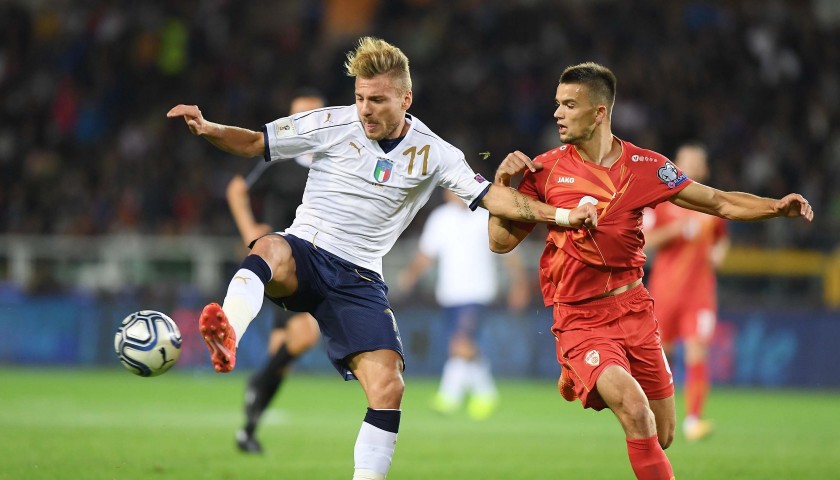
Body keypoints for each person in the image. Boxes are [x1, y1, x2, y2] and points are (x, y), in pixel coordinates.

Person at [167, 37, 573, 480]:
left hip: (359, 277)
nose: (365, 108)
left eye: (377, 99)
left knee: (388, 387)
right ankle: (229, 330)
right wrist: (209, 129)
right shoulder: (329, 123)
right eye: (360, 97)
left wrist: (564, 215)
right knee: (269, 247)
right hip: (308, 248)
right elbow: (255, 142)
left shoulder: (434, 153)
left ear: (405, 98)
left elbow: (495, 197)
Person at [488, 62, 813, 480]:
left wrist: (775, 206)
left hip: (636, 309)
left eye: (569, 105)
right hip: (580, 316)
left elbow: (716, 201)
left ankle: (575, 375)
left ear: (600, 112)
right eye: (557, 105)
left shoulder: (645, 166)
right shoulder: (545, 169)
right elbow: (499, 242)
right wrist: (503, 185)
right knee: (635, 410)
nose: (557, 114)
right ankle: (578, 364)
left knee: (663, 433)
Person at [226, 90, 326, 453]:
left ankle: (248, 430)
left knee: (281, 354)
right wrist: (251, 233)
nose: (299, 122)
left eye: (308, 115)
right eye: (295, 115)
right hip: (282, 263)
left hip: (318, 260)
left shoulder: (336, 159)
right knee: (304, 337)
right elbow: (237, 189)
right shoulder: (280, 158)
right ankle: (255, 384)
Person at [397, 190, 530, 420]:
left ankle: (449, 396)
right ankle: (486, 393)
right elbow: (427, 254)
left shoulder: (485, 216)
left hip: (476, 292)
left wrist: (519, 283)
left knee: (460, 344)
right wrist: (410, 275)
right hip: (449, 294)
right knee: (462, 346)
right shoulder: (440, 218)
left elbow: (509, 253)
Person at [642, 142, 729, 442]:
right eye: (686, 160)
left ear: (704, 169)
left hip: (699, 294)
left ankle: (693, 420)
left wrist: (719, 253)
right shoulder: (661, 202)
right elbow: (644, 240)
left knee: (696, 352)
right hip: (665, 292)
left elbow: (720, 239)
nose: (691, 165)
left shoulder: (711, 206)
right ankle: (656, 417)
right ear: (676, 165)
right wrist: (676, 231)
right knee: (661, 358)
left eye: (697, 161)